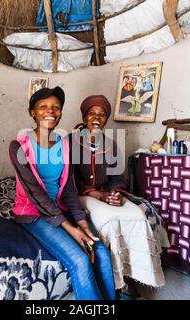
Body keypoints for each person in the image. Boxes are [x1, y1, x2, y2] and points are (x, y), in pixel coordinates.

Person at [8, 87, 116, 300]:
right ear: (32, 112)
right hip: (33, 212)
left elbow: (69, 188)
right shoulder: (18, 146)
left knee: (101, 252)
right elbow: (35, 193)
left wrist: (81, 222)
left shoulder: (65, 144)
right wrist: (70, 228)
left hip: (62, 208)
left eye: (56, 107)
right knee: (80, 259)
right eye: (44, 107)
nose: (51, 111)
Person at [71, 94, 169, 297]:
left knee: (138, 216)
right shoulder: (69, 142)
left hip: (106, 193)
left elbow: (118, 177)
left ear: (106, 119)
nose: (97, 117)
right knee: (110, 220)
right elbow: (68, 180)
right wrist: (97, 194)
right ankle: (118, 280)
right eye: (92, 113)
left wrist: (115, 192)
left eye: (102, 114)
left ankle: (133, 275)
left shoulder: (110, 145)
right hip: (83, 194)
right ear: (84, 116)